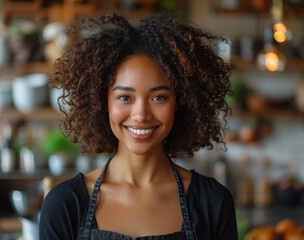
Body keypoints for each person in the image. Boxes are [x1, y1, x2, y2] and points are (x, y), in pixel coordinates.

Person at [39, 11, 238, 240]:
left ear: (180, 102)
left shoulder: (213, 202)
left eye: (159, 97)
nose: (141, 115)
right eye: (125, 97)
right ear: (102, 103)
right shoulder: (64, 204)